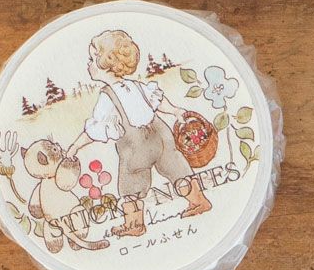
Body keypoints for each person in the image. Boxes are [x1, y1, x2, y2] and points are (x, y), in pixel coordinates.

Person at [64, 29, 210, 238]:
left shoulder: (107, 97)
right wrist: (176, 111)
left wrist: (75, 146)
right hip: (161, 137)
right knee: (177, 169)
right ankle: (199, 201)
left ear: (105, 63)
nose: (88, 64)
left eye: (92, 59)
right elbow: (159, 102)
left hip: (136, 148)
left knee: (131, 185)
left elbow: (95, 130)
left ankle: (135, 225)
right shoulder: (137, 86)